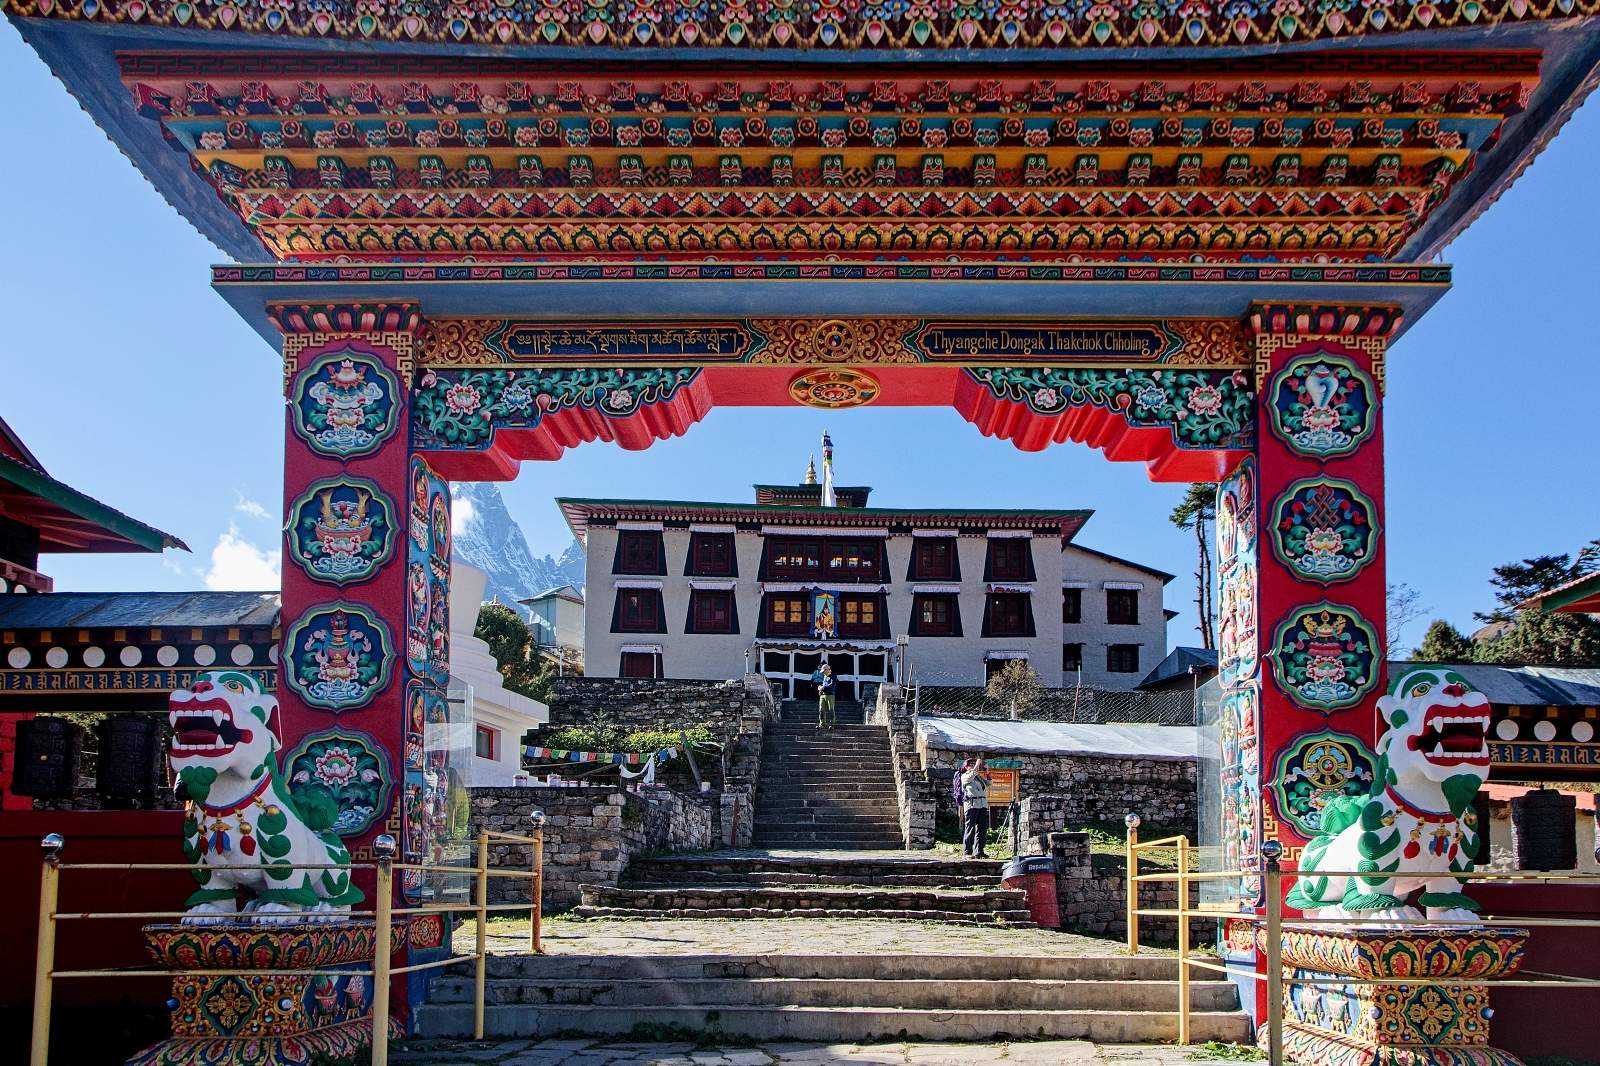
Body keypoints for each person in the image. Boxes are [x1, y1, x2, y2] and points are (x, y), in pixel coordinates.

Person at [960, 755, 992, 858]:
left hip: (982, 804)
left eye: (974, 764)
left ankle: (979, 851)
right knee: (970, 828)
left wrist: (987, 772)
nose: (973, 766)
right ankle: (967, 852)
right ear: (966, 767)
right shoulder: (964, 776)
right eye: (971, 764)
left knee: (982, 829)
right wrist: (977, 765)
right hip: (971, 805)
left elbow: (988, 783)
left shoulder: (977, 777)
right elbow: (971, 775)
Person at [817, 662, 837, 730]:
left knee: (831, 710)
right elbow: (824, 684)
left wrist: (823, 687)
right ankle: (822, 724)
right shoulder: (825, 677)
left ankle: (832, 724)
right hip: (823, 695)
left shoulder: (833, 676)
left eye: (823, 671)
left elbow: (832, 685)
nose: (823, 673)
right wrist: (820, 687)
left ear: (827, 670)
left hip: (830, 695)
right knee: (821, 710)